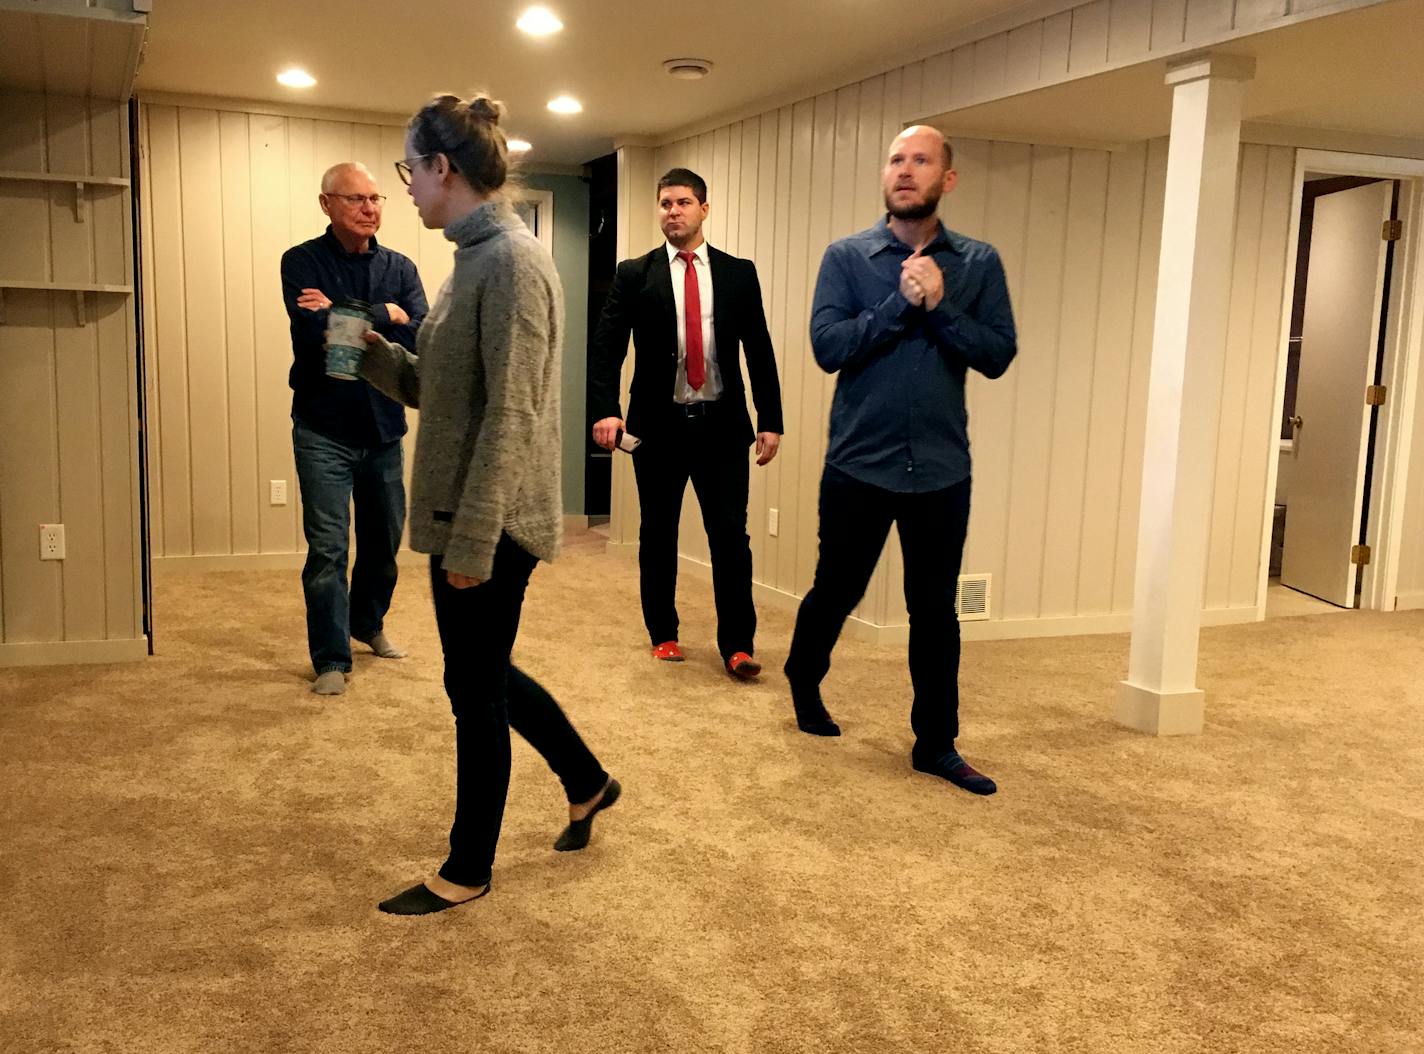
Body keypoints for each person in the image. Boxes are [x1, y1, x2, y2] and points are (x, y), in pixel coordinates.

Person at [360, 94, 618, 916]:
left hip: (491, 520)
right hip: (463, 512)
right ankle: (585, 780)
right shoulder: (470, 257)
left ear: (443, 169)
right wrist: (377, 358)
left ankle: (469, 866)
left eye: (409, 169)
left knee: (473, 690)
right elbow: (446, 392)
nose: (405, 187)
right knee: (482, 673)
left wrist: (472, 542)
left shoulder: (510, 261)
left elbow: (515, 412)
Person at [783, 126, 1017, 796]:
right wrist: (898, 303)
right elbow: (829, 346)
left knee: (934, 610)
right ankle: (805, 672)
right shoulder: (848, 257)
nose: (905, 171)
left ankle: (936, 744)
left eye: (921, 161)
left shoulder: (977, 263)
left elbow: (997, 353)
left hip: (943, 469)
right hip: (859, 463)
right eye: (895, 160)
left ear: (948, 179)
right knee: (839, 588)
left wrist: (941, 307)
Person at [589, 168, 783, 679]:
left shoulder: (739, 273)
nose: (672, 211)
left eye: (682, 203)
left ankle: (738, 644)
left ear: (704, 209)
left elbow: (759, 350)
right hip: (658, 428)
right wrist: (605, 409)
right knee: (658, 534)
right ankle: (664, 633)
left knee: (730, 538)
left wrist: (772, 419)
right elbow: (607, 348)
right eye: (664, 204)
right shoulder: (635, 274)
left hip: (722, 426)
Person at [280, 162, 429, 696]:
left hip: (384, 426)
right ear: (327, 204)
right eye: (355, 200)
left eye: (375, 198)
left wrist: (355, 315)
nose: (369, 209)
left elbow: (418, 333)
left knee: (384, 542)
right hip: (323, 428)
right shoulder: (301, 262)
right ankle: (331, 658)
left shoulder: (401, 267)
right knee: (328, 549)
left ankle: (368, 623)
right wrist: (385, 315)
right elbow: (316, 330)